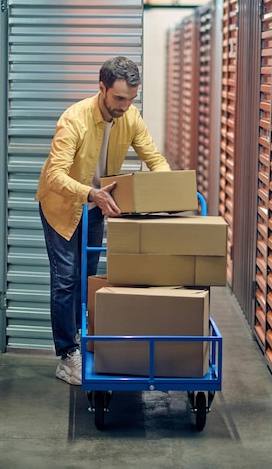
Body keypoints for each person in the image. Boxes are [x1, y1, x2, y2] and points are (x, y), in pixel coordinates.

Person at [35, 56, 170, 385]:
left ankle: (83, 341)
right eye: (119, 98)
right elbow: (53, 175)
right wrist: (90, 194)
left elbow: (155, 159)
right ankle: (67, 355)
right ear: (102, 89)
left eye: (131, 99)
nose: (125, 106)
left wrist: (169, 195)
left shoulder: (131, 118)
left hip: (96, 206)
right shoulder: (75, 120)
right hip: (62, 206)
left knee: (87, 277)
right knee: (66, 280)